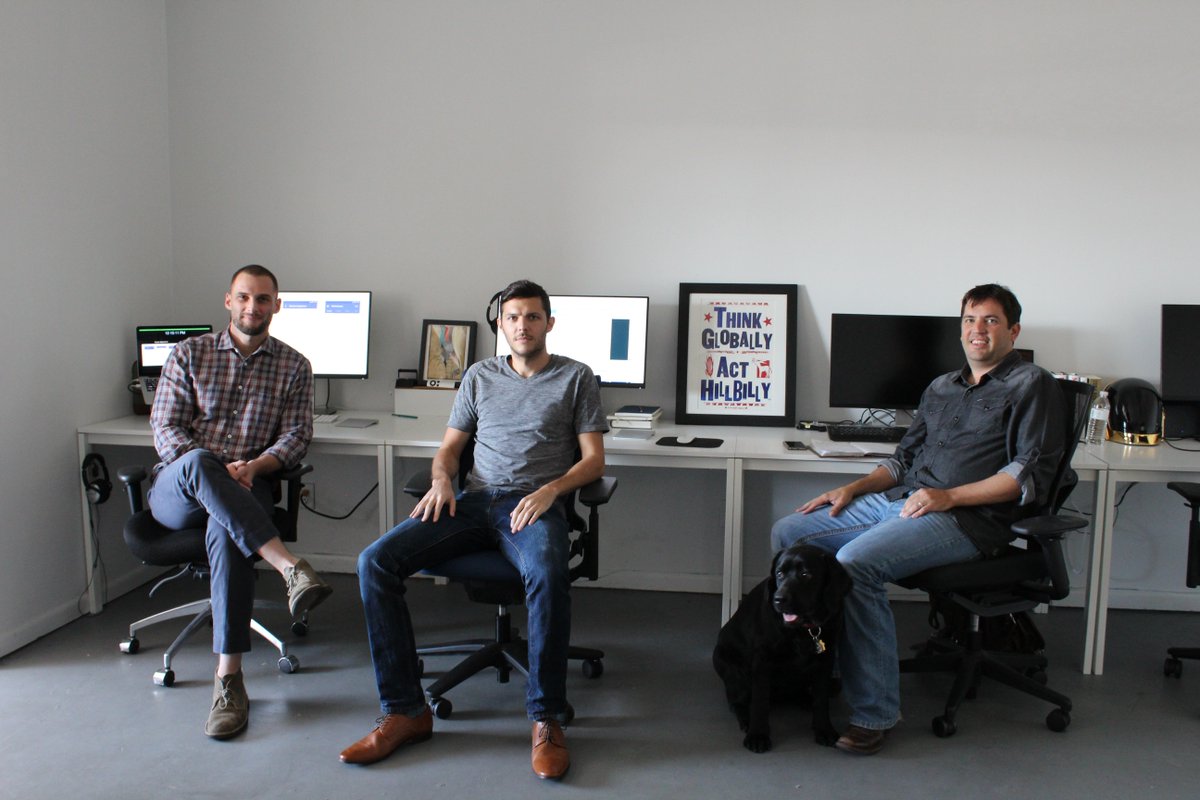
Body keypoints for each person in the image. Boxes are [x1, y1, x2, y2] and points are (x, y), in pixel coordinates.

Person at [770, 284, 1065, 756]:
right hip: (905, 501)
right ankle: (816, 665)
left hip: (969, 520)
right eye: (970, 320)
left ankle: (874, 712)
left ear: (1013, 330)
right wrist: (852, 488)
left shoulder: (1031, 384)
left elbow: (1026, 476)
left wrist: (948, 496)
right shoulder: (941, 387)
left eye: (990, 321)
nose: (978, 330)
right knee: (790, 533)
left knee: (854, 561)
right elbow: (902, 462)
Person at [340, 279, 607, 780]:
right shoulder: (479, 376)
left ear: (549, 323)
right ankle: (406, 712)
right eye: (512, 318)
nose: (522, 326)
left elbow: (594, 460)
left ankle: (546, 719)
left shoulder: (576, 378)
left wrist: (552, 490)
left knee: (548, 575)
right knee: (374, 561)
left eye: (532, 317)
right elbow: (449, 450)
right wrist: (441, 481)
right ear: (500, 325)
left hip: (533, 506)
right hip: (473, 501)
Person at [149, 264, 332, 739]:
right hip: (180, 487)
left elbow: (296, 436)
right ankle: (288, 566)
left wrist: (255, 467)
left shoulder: (294, 365)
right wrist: (214, 467)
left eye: (264, 299)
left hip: (250, 484)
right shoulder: (189, 354)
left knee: (225, 529)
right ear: (228, 301)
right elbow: (166, 428)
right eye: (245, 298)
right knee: (199, 465)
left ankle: (228, 681)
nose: (254, 307)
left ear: (277, 304)